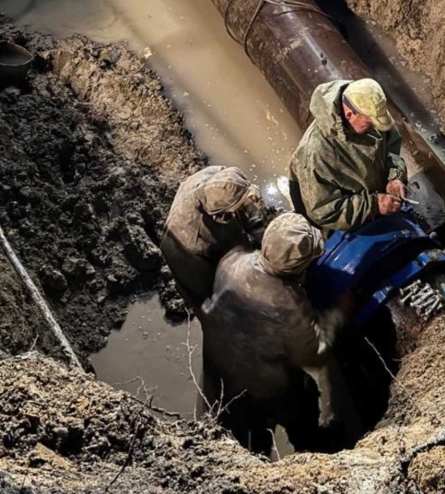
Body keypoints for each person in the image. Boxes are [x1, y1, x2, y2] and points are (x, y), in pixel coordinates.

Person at [201, 213, 359, 454]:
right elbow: (313, 355)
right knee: (302, 404)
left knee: (248, 437)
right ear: (297, 267)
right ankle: (311, 446)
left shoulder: (233, 260)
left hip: (218, 368)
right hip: (266, 385)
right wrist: (338, 314)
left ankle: (254, 451)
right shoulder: (286, 304)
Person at [289, 78, 409, 232]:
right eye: (370, 124)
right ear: (350, 114)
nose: (375, 128)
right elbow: (323, 210)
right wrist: (372, 205)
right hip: (348, 225)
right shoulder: (315, 153)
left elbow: (391, 149)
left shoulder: (369, 106)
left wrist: (395, 177)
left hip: (378, 201)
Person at [160, 166, 265, 313]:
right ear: (221, 215)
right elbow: (209, 292)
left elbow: (244, 199)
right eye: (236, 209)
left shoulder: (220, 177)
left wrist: (258, 231)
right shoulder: (191, 244)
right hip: (193, 266)